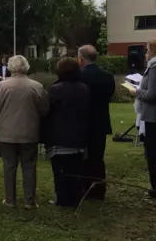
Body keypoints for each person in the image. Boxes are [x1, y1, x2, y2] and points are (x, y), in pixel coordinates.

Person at [0, 55, 49, 208]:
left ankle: (10, 199)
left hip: (7, 134)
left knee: (9, 166)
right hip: (30, 132)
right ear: (27, 67)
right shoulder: (36, 86)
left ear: (9, 67)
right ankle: (30, 201)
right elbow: (44, 109)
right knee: (29, 166)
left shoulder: (0, 87)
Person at [43, 57, 90, 207]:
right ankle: (75, 197)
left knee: (60, 170)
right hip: (79, 134)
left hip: (59, 135)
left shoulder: (55, 90)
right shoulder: (84, 88)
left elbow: (46, 110)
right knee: (76, 169)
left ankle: (63, 198)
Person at [78, 45, 115, 200]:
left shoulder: (80, 77)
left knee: (84, 157)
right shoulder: (107, 76)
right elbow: (109, 95)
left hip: (83, 123)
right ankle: (99, 190)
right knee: (98, 157)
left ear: (80, 59)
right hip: (100, 122)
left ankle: (85, 188)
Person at [129, 40, 156, 199]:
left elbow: (152, 94)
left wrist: (136, 91)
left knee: (152, 152)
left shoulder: (154, 67)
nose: (145, 53)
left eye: (147, 49)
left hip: (153, 117)